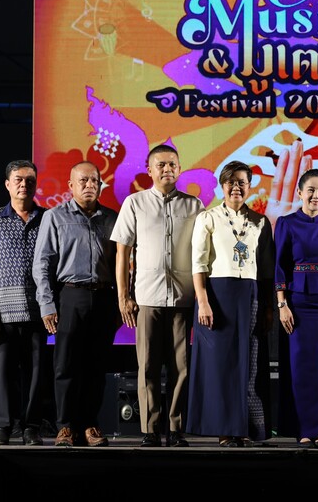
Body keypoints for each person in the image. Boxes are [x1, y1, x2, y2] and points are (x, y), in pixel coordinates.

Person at [110, 145, 204, 447]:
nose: (167, 169)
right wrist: (124, 296)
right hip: (147, 298)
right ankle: (150, 430)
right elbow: (122, 253)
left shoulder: (194, 205)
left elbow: (203, 253)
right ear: (149, 169)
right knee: (148, 367)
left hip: (182, 299)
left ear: (180, 168)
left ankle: (175, 429)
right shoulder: (135, 203)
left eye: (172, 164)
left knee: (181, 368)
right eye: (161, 164)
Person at [186, 160, 274, 447]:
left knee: (248, 364)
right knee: (220, 365)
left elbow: (267, 269)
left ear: (249, 186)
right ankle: (224, 430)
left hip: (250, 295)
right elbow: (198, 263)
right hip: (216, 295)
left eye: (242, 182)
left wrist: (268, 306)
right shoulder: (208, 218)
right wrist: (202, 301)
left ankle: (244, 428)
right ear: (222, 186)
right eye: (230, 182)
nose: (236, 187)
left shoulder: (260, 221)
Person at [32, 161, 119, 447]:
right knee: (66, 365)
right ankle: (65, 426)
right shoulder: (55, 216)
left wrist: (122, 300)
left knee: (97, 366)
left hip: (104, 297)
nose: (89, 185)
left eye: (94, 181)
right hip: (70, 296)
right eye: (83, 181)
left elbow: (123, 263)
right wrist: (46, 304)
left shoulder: (112, 218)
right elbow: (42, 263)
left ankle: (90, 425)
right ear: (71, 185)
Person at [0, 160, 48, 446]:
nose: (24, 185)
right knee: (3, 370)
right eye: (18, 179)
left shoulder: (47, 218)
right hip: (3, 310)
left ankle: (31, 427)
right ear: (7, 184)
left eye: (30, 180)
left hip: (39, 308)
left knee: (36, 370)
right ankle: (3, 427)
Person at [275, 168, 318, 448]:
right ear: (300, 193)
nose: (316, 196)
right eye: (311, 190)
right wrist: (282, 304)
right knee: (301, 368)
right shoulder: (286, 223)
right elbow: (280, 265)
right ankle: (303, 429)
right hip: (298, 304)